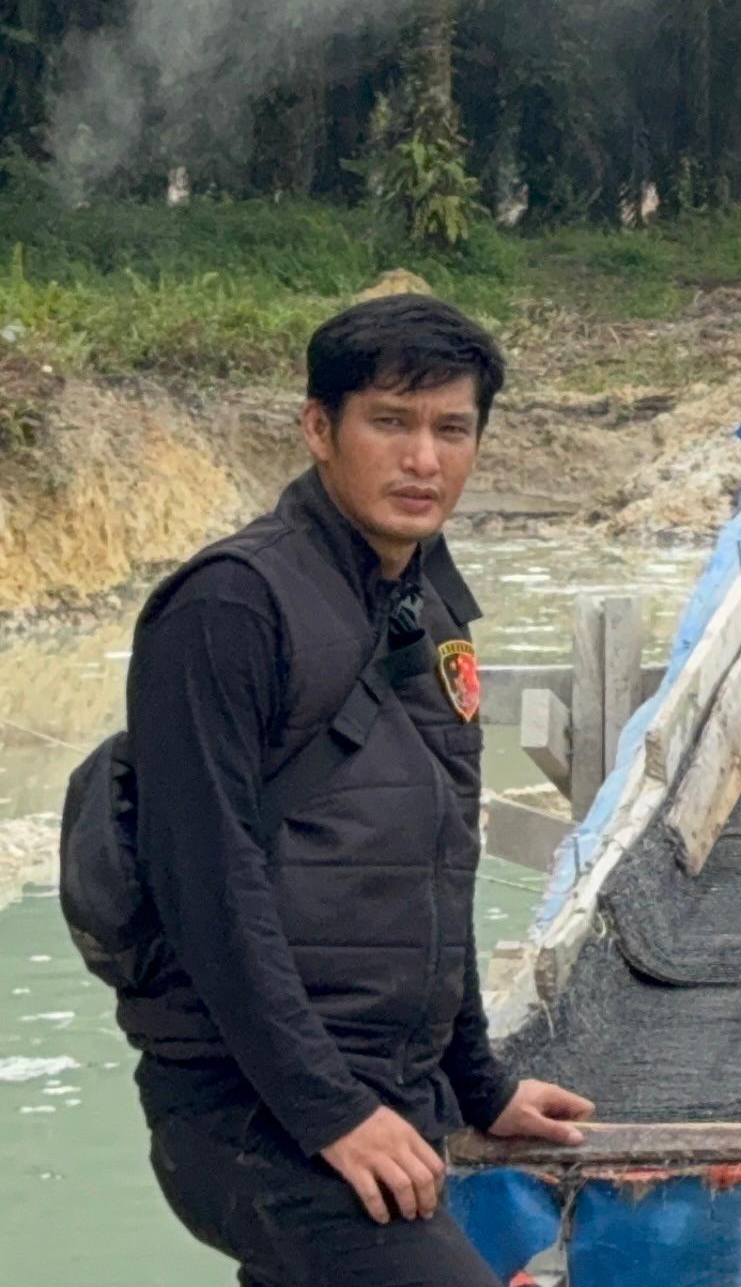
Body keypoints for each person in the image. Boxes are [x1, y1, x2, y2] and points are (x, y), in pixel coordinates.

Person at [119, 295, 595, 1287]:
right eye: (390, 421)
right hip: (251, 1112)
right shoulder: (228, 606)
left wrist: (480, 1083)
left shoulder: (430, 605)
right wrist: (330, 1110)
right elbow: (205, 885)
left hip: (393, 1088)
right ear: (318, 427)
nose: (423, 458)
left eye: (451, 428)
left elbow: (438, 863)